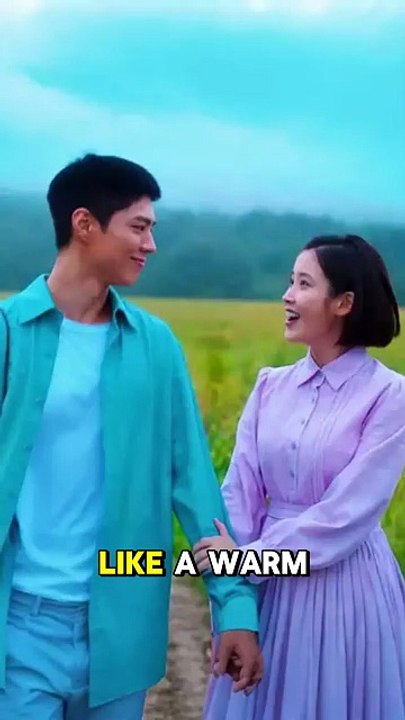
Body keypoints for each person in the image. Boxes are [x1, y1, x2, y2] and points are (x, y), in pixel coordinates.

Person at [0, 153, 263, 719]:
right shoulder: (8, 335)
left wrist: (235, 606)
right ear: (84, 224)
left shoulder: (155, 346)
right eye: (139, 227)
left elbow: (194, 483)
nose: (151, 244)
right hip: (18, 625)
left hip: (122, 626)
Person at [194, 234, 405, 720]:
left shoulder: (388, 395)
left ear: (344, 303)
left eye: (304, 284)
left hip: (343, 587)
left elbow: (346, 515)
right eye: (290, 282)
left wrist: (246, 561)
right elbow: (239, 494)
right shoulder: (271, 385)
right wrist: (232, 600)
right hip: (262, 582)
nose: (287, 296)